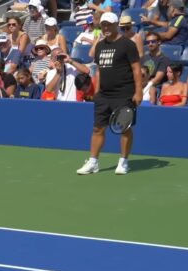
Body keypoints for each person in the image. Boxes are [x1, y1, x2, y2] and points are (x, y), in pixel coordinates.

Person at [76, 12, 142, 176]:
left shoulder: (128, 44)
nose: (105, 28)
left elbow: (136, 69)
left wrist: (138, 91)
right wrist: (97, 91)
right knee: (97, 128)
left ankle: (124, 161)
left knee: (124, 129)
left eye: (108, 24)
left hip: (124, 94)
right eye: (103, 25)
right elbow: (98, 70)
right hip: (103, 96)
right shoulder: (99, 45)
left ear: (115, 25)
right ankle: (93, 162)